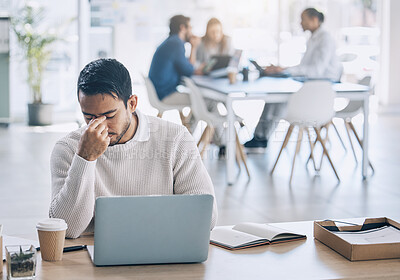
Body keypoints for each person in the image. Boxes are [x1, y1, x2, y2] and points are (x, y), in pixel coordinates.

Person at [49, 58, 217, 238]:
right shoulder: (68, 148)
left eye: (109, 115)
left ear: (132, 104)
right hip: (94, 253)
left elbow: (206, 218)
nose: (99, 126)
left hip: (162, 248)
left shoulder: (176, 139)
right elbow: (67, 229)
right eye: (89, 116)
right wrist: (84, 158)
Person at [245, 7, 343, 149]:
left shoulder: (325, 39)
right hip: (309, 83)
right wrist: (284, 69)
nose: (300, 23)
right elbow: (305, 67)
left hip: (321, 89)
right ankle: (260, 136)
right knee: (274, 94)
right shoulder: (313, 39)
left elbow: (316, 70)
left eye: (303, 19)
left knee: (280, 98)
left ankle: (262, 136)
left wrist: (287, 70)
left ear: (314, 20)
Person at [148, 15, 203, 106]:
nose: (191, 32)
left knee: (197, 97)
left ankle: (189, 120)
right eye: (190, 28)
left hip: (159, 92)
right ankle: (192, 121)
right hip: (165, 95)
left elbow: (186, 66)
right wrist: (194, 47)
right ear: (182, 28)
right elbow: (189, 71)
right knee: (201, 100)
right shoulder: (176, 44)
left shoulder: (171, 42)